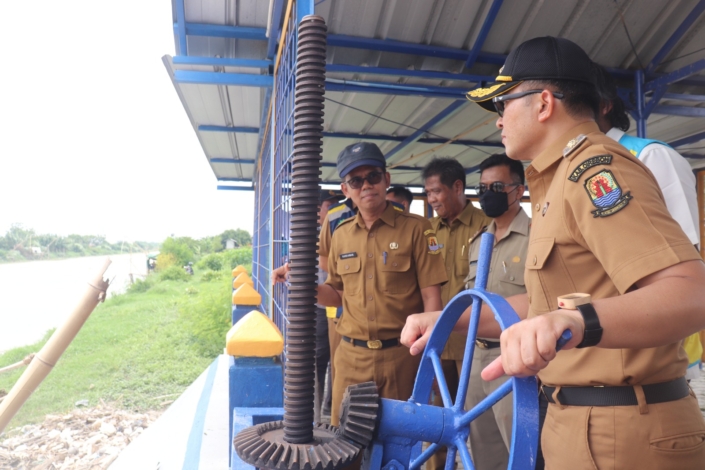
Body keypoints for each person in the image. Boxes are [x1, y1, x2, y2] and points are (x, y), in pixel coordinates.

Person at [402, 36, 705, 469]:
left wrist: (573, 321)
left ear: (543, 103)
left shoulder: (596, 170)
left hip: (623, 429)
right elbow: (546, 306)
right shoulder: (554, 184)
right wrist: (455, 319)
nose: (498, 121)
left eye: (503, 103)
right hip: (580, 420)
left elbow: (690, 294)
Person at [307, 142, 448, 427]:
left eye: (373, 176)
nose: (366, 186)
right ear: (346, 190)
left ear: (386, 179)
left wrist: (429, 358)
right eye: (356, 181)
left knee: (398, 444)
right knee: (344, 448)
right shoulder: (340, 235)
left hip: (402, 358)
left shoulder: (417, 228)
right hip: (350, 359)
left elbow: (431, 299)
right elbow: (337, 294)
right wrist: (302, 286)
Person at [593, 65, 705, 383]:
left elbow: (685, 258)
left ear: (604, 105)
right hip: (602, 349)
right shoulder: (577, 168)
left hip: (660, 353)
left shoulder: (650, 157)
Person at [421, 157, 491, 470]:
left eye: (436, 192)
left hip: (472, 343)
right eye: (428, 193)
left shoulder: (486, 226)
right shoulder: (427, 231)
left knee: (477, 416)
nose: (431, 199)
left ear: (458, 187)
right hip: (438, 343)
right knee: (435, 417)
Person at [464, 154, 529, 470]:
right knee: (483, 447)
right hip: (476, 357)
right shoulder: (478, 242)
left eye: (498, 186)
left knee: (519, 443)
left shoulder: (538, 237)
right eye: (483, 187)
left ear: (518, 190)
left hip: (514, 357)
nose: (488, 193)